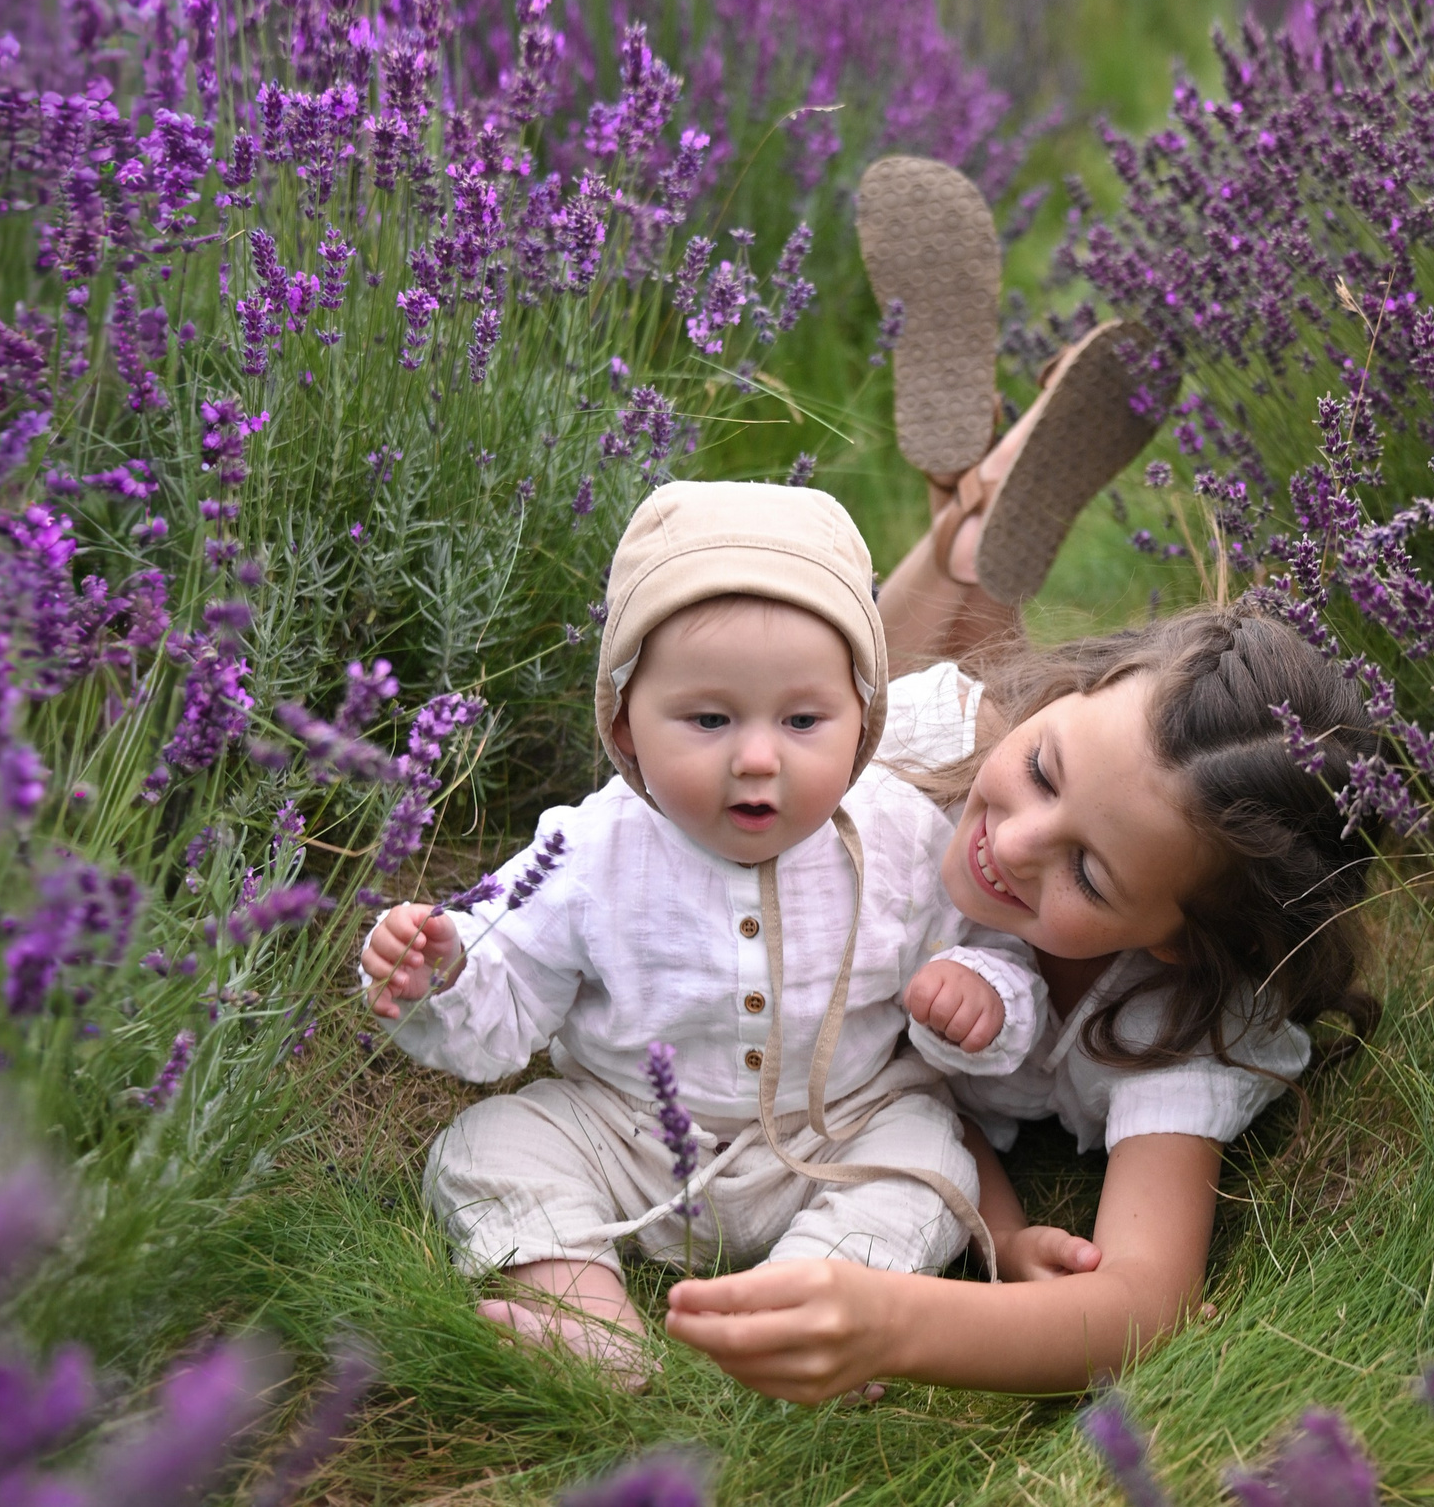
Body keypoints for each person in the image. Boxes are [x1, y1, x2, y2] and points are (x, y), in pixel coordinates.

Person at [659, 159, 1381, 1399]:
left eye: (1089, 872)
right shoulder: (980, 762)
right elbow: (990, 750)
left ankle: (976, 519)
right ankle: (967, 541)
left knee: (924, 735)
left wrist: (901, 1316)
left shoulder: (1167, 1025)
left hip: (1000, 769)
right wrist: (1019, 761)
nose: (1016, 845)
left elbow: (1140, 1303)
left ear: (1173, 935)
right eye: (1045, 771)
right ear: (1060, 704)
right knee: (816, 724)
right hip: (939, 742)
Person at [358, 480, 1047, 1376]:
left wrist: (981, 994)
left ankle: (812, 1305)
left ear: (864, 724)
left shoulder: (902, 840)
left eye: (804, 720)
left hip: (832, 1132)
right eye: (710, 719)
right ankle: (587, 1320)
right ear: (625, 724)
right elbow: (511, 991)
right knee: (488, 1146)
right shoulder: (589, 849)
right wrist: (447, 973)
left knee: (928, 1159)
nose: (757, 757)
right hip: (629, 1132)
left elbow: (995, 950)